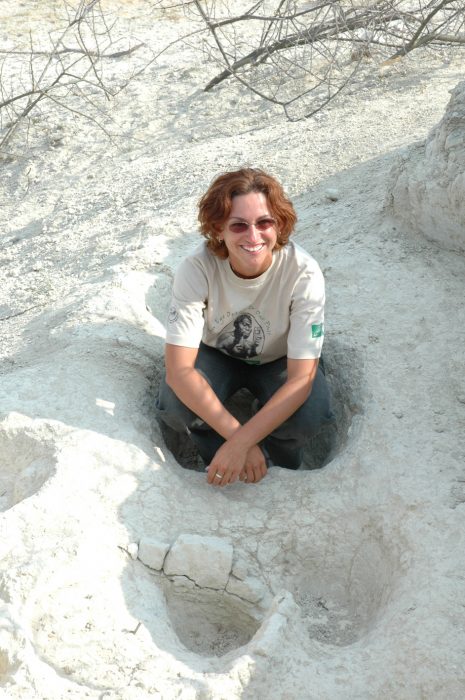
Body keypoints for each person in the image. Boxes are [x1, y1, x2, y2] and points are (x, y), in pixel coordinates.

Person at [155, 167, 334, 487]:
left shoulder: (303, 273)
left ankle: (278, 463)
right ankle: (218, 460)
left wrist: (241, 443)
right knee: (176, 406)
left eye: (264, 222)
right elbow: (179, 372)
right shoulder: (197, 268)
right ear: (218, 229)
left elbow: (301, 379)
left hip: (279, 358)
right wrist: (237, 440)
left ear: (279, 225)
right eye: (238, 225)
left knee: (311, 414)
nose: (253, 237)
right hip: (216, 353)